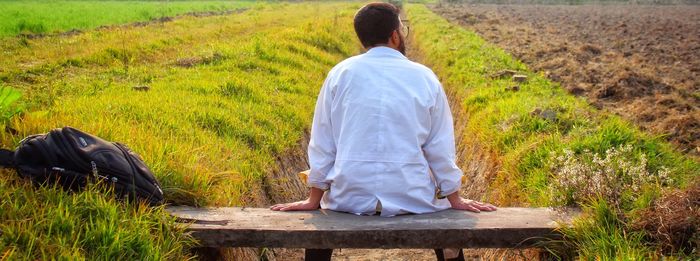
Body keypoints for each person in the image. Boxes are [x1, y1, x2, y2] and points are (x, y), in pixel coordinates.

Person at [271, 2, 496, 260]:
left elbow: (323, 142)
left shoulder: (339, 74)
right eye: (403, 28)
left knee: (319, 235)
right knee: (449, 235)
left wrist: (314, 198)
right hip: (412, 199)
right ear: (395, 35)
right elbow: (439, 147)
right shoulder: (425, 77)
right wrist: (454, 198)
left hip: (348, 199)